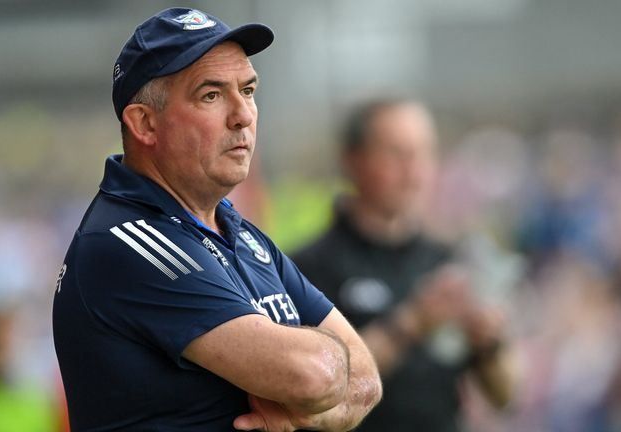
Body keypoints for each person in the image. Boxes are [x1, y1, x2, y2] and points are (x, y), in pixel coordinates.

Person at [52, 8, 381, 432]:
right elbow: (315, 374)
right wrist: (312, 376)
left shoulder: (242, 234)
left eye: (248, 90)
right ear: (144, 123)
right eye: (211, 95)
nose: (242, 114)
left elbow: (366, 381)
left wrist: (299, 414)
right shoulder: (127, 243)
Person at [293, 99, 512, 431]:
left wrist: (489, 344)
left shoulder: (448, 260)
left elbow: (506, 395)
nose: (414, 171)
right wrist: (413, 323)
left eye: (424, 153)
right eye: (396, 153)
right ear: (353, 160)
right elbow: (314, 386)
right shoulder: (306, 268)